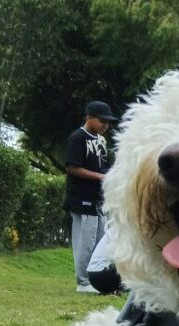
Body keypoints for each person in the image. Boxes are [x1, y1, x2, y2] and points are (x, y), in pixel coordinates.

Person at [65, 101, 118, 293]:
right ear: (89, 117)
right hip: (82, 198)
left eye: (108, 122)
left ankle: (99, 281)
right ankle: (83, 281)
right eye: (102, 120)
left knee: (100, 241)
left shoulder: (101, 141)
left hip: (98, 199)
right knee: (84, 242)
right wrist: (100, 176)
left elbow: (103, 167)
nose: (106, 125)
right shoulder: (78, 138)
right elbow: (72, 167)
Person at [86, 223, 123, 295]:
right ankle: (122, 289)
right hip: (103, 274)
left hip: (92, 275)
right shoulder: (122, 231)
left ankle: (109, 290)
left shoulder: (115, 230)